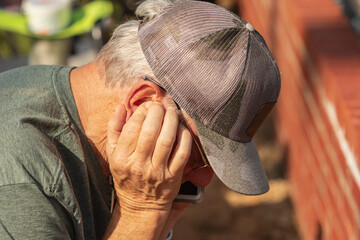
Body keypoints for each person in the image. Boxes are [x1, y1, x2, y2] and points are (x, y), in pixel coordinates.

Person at [0, 0, 281, 239]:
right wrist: (140, 211)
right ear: (143, 102)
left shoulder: (68, 95)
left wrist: (159, 223)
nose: (205, 178)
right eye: (202, 152)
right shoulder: (22, 185)